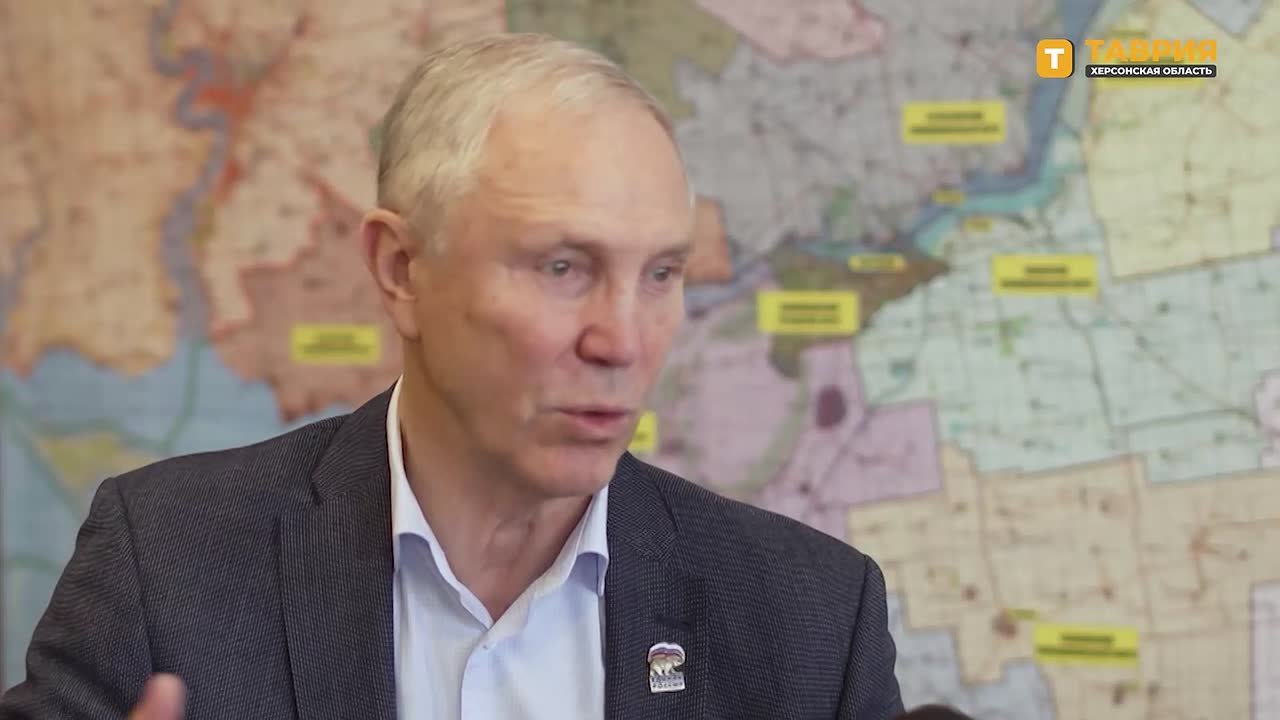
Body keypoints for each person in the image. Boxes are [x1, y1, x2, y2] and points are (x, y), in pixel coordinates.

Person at [0, 32, 904, 719]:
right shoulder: (166, 567)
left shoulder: (813, 622)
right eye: (563, 267)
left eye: (661, 274)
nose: (623, 340)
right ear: (401, 269)